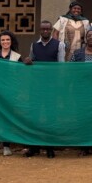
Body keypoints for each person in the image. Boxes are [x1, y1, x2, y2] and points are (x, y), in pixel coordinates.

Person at [23, 20, 63, 158]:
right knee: (34, 116)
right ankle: (34, 147)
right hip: (36, 87)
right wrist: (28, 61)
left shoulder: (59, 45)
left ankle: (50, 147)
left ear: (51, 30)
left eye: (48, 29)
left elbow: (61, 67)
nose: (45, 31)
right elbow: (31, 61)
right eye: (43, 29)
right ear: (39, 30)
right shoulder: (34, 45)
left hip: (51, 87)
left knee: (51, 117)